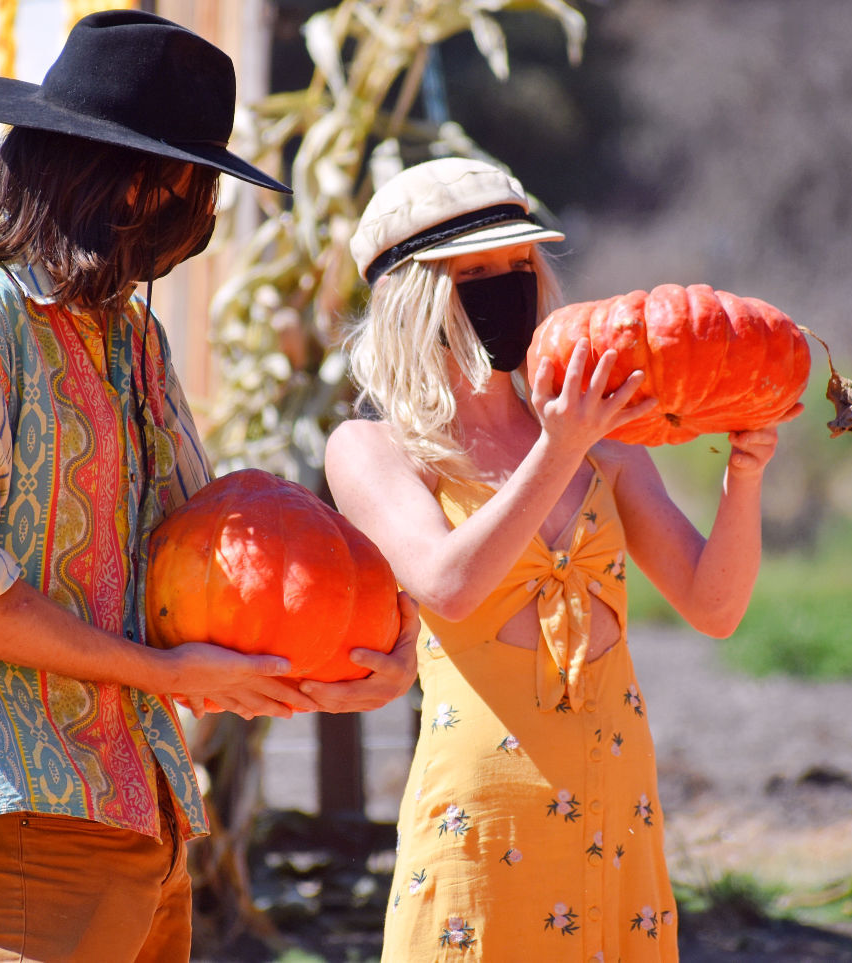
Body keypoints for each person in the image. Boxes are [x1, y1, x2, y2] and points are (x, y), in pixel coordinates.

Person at [0, 11, 417, 961]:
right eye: (183, 187)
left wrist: (354, 658)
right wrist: (168, 675)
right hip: (34, 812)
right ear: (119, 181)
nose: (187, 220)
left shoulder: (131, 338)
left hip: (147, 810)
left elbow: (205, 561)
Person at [325, 156, 802, 961]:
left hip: (616, 803)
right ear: (416, 299)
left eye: (517, 265)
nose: (504, 286)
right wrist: (559, 444)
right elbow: (449, 584)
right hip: (480, 814)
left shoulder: (607, 442)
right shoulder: (374, 448)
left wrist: (743, 474)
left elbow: (713, 607)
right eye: (474, 272)